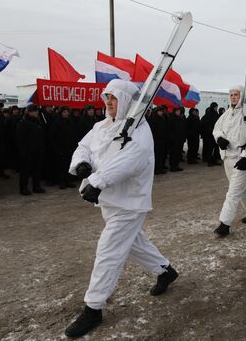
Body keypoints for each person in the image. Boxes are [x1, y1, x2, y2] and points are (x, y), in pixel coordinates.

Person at [65, 80, 178, 338]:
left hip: (130, 202)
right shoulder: (103, 126)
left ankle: (93, 307)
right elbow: (84, 146)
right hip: (110, 201)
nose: (108, 102)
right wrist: (82, 163)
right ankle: (166, 271)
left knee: (109, 250)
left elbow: (129, 160)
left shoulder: (139, 131)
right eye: (106, 97)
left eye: (113, 98)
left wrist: (97, 181)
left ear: (126, 101)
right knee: (134, 243)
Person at [213, 85, 246, 236]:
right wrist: (220, 138)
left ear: (242, 96)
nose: (234, 97)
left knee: (233, 192)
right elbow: (217, 128)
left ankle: (224, 224)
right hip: (228, 157)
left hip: (241, 159)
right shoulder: (227, 113)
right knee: (242, 187)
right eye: (232, 95)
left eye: (236, 95)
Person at [16, 104, 46, 195]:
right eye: (34, 111)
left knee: (37, 169)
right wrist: (22, 152)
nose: (37, 112)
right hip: (28, 151)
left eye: (37, 111)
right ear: (29, 112)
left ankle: (36, 186)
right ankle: (23, 188)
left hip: (37, 150)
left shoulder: (38, 121)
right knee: (25, 171)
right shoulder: (23, 123)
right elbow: (20, 139)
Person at [50, 106, 76, 189]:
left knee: (68, 165)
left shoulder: (70, 122)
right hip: (60, 148)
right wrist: (56, 148)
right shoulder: (56, 123)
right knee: (60, 166)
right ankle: (61, 182)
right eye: (64, 112)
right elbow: (53, 137)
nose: (66, 113)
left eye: (67, 112)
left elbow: (73, 134)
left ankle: (68, 181)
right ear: (61, 113)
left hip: (69, 147)